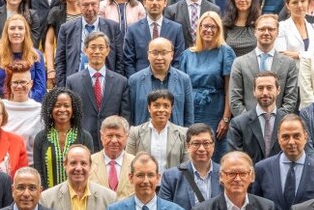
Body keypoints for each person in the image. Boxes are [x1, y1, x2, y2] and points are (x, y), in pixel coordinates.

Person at [179, 11, 236, 149]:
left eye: (213, 27)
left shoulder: (226, 52)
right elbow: (181, 89)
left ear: (219, 29)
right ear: (199, 28)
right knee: (193, 147)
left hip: (215, 110)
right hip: (192, 109)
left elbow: (230, 88)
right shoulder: (187, 54)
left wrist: (226, 118)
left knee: (213, 148)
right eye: (205, 26)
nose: (209, 30)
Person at [228, 13, 300, 116]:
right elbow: (234, 100)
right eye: (262, 29)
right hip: (248, 123)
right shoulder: (239, 63)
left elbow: (291, 100)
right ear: (255, 32)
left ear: (277, 32)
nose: (266, 33)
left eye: (271, 29)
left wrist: (276, 120)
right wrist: (249, 121)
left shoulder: (289, 64)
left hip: (279, 123)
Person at [65, 31, 128, 145]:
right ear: (85, 50)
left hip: (112, 141)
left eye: (101, 47)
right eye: (93, 47)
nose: (97, 51)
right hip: (82, 140)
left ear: (107, 50)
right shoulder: (72, 81)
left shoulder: (121, 82)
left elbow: (125, 115)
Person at [31, 87, 96, 190]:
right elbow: (39, 172)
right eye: (57, 106)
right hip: (49, 196)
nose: (62, 109)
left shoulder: (84, 137)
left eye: (66, 106)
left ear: (73, 109)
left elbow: (90, 170)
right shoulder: (41, 138)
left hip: (79, 194)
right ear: (50, 109)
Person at [228, 71, 296, 167]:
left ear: (278, 90)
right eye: (260, 88)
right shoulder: (238, 124)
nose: (265, 93)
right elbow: (235, 159)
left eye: (269, 88)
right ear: (254, 91)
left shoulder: (290, 123)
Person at [123, 37, 194, 127]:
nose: (159, 57)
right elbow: (129, 115)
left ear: (171, 55)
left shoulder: (184, 79)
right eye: (155, 53)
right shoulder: (134, 80)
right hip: (143, 133)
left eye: (164, 53)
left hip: (175, 133)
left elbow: (189, 115)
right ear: (148, 55)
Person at [124, 0, 187, 77]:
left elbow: (178, 60)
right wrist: (136, 81)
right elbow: (128, 61)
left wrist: (170, 80)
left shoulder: (176, 29)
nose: (154, 2)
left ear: (165, 3)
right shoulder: (133, 29)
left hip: (168, 81)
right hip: (141, 81)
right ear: (144, 3)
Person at [126, 90, 187, 172]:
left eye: (166, 106)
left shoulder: (183, 134)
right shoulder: (135, 132)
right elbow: (129, 163)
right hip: (144, 179)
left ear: (171, 109)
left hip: (174, 180)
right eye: (156, 105)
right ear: (149, 108)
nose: (161, 110)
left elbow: (186, 167)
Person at [0, 13, 47, 100]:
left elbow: (41, 89)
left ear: (25, 32)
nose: (16, 32)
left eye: (20, 28)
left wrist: (22, 100)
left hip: (29, 104)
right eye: (12, 28)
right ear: (6, 32)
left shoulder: (36, 56)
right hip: (2, 104)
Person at [42, 0, 85, 81]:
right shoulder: (56, 13)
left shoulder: (88, 11)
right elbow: (49, 42)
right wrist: (51, 69)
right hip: (64, 63)